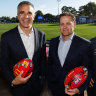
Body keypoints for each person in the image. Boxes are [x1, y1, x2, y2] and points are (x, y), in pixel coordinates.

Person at [1, 1, 46, 96]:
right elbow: (3, 63)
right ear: (17, 15)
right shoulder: (6, 37)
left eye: (29, 13)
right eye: (22, 12)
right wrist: (12, 81)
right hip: (18, 88)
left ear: (34, 16)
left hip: (37, 87)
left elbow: (43, 61)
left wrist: (42, 80)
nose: (26, 16)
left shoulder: (41, 35)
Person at [47, 12, 92, 96]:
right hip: (55, 89)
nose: (64, 27)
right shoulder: (53, 42)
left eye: (68, 23)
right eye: (62, 24)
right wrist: (50, 82)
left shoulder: (85, 44)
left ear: (74, 24)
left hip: (74, 91)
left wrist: (79, 89)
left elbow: (88, 70)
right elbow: (50, 63)